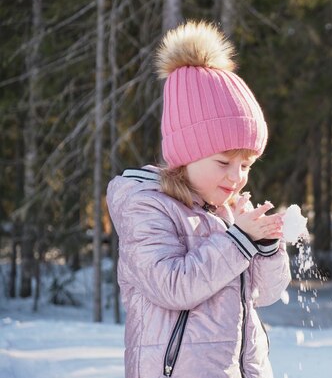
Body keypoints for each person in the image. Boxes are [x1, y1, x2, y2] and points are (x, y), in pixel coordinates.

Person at [106, 20, 291, 378]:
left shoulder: (226, 213)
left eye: (246, 164)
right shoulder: (147, 205)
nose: (237, 176)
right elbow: (173, 286)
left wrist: (265, 245)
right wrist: (239, 240)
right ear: (185, 155)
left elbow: (265, 294)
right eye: (223, 162)